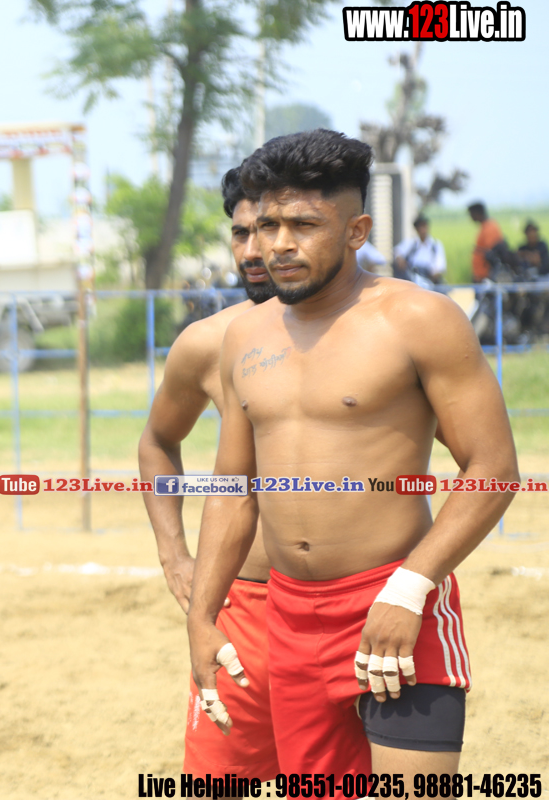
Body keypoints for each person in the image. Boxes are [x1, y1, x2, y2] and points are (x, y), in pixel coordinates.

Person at [186, 129, 518, 778]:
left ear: (356, 231)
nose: (279, 244)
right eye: (269, 224)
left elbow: (493, 469)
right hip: (288, 618)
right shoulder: (243, 337)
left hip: (395, 599)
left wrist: (410, 588)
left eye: (305, 225)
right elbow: (233, 490)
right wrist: (202, 617)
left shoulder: (418, 319)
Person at [138, 165, 279, 777]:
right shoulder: (208, 342)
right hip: (242, 604)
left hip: (353, 598)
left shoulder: (382, 330)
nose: (251, 251)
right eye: (240, 232)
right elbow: (157, 441)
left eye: (267, 230)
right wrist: (175, 555)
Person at [394, 215, 447, 284]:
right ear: (416, 229)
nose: (422, 230)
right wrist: (400, 259)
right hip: (412, 279)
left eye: (424, 226)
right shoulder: (411, 243)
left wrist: (432, 277)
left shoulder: (435, 245)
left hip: (430, 279)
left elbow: (440, 266)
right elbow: (397, 251)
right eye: (420, 227)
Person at [469, 201, 505, 281]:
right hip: (481, 275)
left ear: (477, 213)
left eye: (471, 214)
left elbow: (493, 254)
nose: (470, 217)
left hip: (486, 277)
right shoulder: (485, 226)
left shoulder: (489, 227)